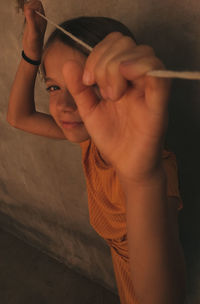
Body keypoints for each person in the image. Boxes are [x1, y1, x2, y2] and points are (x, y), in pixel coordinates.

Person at [8, 1, 187, 303]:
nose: (65, 105)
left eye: (87, 87)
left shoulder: (157, 172)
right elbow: (19, 118)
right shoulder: (90, 140)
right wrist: (32, 49)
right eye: (53, 87)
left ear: (122, 88)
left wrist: (142, 180)